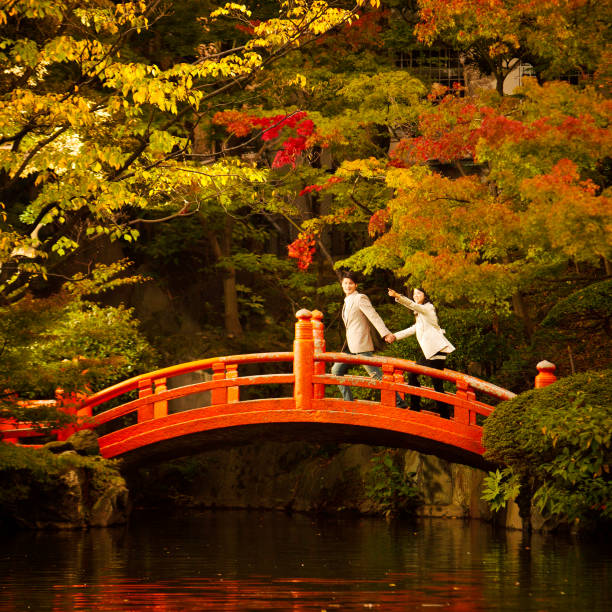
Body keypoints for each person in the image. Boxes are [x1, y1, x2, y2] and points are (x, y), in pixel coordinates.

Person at [332, 271, 405, 406]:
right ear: (342, 285)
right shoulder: (347, 301)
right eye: (345, 283)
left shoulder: (360, 298)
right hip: (349, 345)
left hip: (360, 344)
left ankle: (399, 402)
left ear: (356, 285)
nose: (348, 286)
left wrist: (385, 333)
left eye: (351, 283)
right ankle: (348, 401)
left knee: (376, 375)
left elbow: (374, 316)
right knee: (336, 371)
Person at [388, 287, 455, 418]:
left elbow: (413, 305)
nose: (416, 295)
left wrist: (398, 296)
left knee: (413, 375)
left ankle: (415, 407)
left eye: (419, 293)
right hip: (434, 352)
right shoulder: (421, 314)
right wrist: (395, 336)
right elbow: (413, 329)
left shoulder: (428, 308)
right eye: (414, 294)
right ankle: (444, 415)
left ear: (425, 295)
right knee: (437, 385)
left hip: (437, 351)